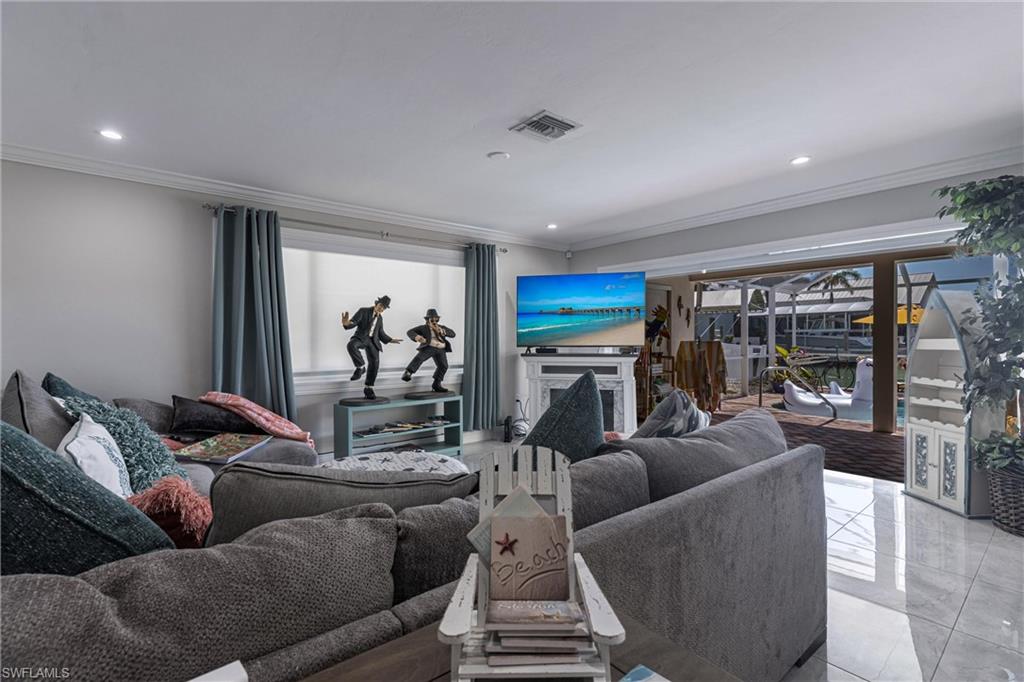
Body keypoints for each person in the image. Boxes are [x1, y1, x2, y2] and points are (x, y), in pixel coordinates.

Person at [342, 295, 401, 400]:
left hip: (373, 341)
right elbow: (354, 321)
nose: (381, 309)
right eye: (381, 305)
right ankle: (360, 367)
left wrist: (390, 339)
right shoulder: (363, 311)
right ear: (376, 304)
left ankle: (369, 388)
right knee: (351, 345)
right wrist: (347, 323)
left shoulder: (380, 318)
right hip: (361, 338)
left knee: (375, 363)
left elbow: (381, 332)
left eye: (384, 308)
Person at [401, 308, 456, 392]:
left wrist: (443, 331)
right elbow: (410, 332)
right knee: (419, 358)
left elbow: (453, 334)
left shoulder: (442, 327)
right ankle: (408, 372)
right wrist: (417, 337)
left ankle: (437, 384)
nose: (434, 321)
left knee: (444, 365)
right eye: (432, 319)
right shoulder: (423, 328)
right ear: (427, 320)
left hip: (441, 348)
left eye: (436, 319)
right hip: (429, 347)